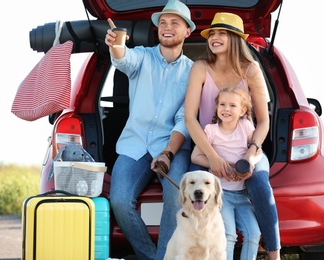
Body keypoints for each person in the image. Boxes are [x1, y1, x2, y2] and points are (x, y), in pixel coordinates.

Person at [184, 12, 281, 259]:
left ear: (236, 38)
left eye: (222, 33)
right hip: (209, 145)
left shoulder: (251, 70)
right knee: (199, 182)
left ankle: (274, 254)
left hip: (246, 147)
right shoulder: (200, 68)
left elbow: (263, 121)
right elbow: (190, 119)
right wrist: (213, 158)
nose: (215, 37)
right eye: (212, 33)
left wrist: (250, 155)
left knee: (260, 184)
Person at [104, 0, 195, 259]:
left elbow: (184, 119)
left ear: (187, 31)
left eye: (174, 23)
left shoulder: (193, 72)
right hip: (135, 145)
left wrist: (167, 153)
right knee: (119, 201)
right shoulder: (142, 56)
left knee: (175, 195)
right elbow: (124, 59)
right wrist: (117, 45)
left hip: (172, 147)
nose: (166, 27)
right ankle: (151, 257)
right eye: (162, 23)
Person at [191, 87, 261, 259]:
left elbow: (257, 151)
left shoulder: (245, 126)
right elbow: (195, 156)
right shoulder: (211, 130)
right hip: (221, 196)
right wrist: (217, 165)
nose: (226, 109)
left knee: (254, 234)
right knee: (228, 236)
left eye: (232, 105)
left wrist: (250, 162)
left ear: (242, 110)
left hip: (242, 195)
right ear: (216, 108)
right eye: (222, 104)